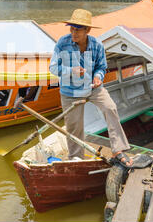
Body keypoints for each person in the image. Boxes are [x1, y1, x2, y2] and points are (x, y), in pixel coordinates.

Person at [49, 9, 133, 167]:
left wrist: (98, 77)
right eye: (72, 29)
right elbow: (53, 67)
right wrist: (71, 71)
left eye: (78, 29)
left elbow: (101, 67)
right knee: (74, 126)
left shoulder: (97, 45)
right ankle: (76, 158)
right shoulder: (62, 43)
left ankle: (118, 150)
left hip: (93, 88)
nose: (74, 33)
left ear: (87, 30)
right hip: (70, 92)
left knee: (110, 108)